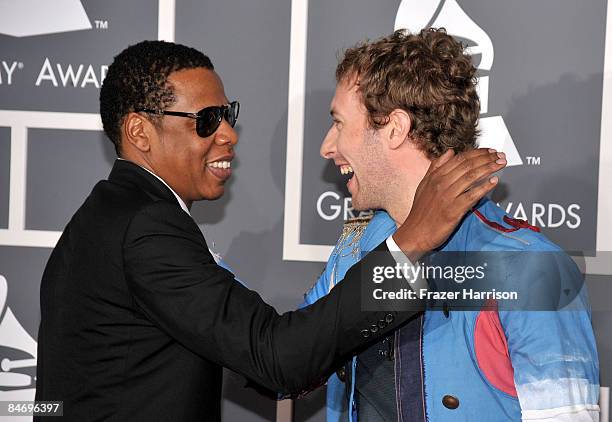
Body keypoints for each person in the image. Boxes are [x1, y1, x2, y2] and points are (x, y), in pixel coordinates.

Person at [34, 40, 505, 421]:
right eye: (206, 121)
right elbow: (279, 357)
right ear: (139, 133)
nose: (228, 134)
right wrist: (409, 244)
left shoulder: (117, 214)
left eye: (228, 114)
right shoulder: (144, 228)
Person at [304, 28, 600, 421]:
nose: (327, 146)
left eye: (339, 123)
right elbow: (287, 360)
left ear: (394, 127)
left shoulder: (530, 271)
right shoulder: (353, 251)